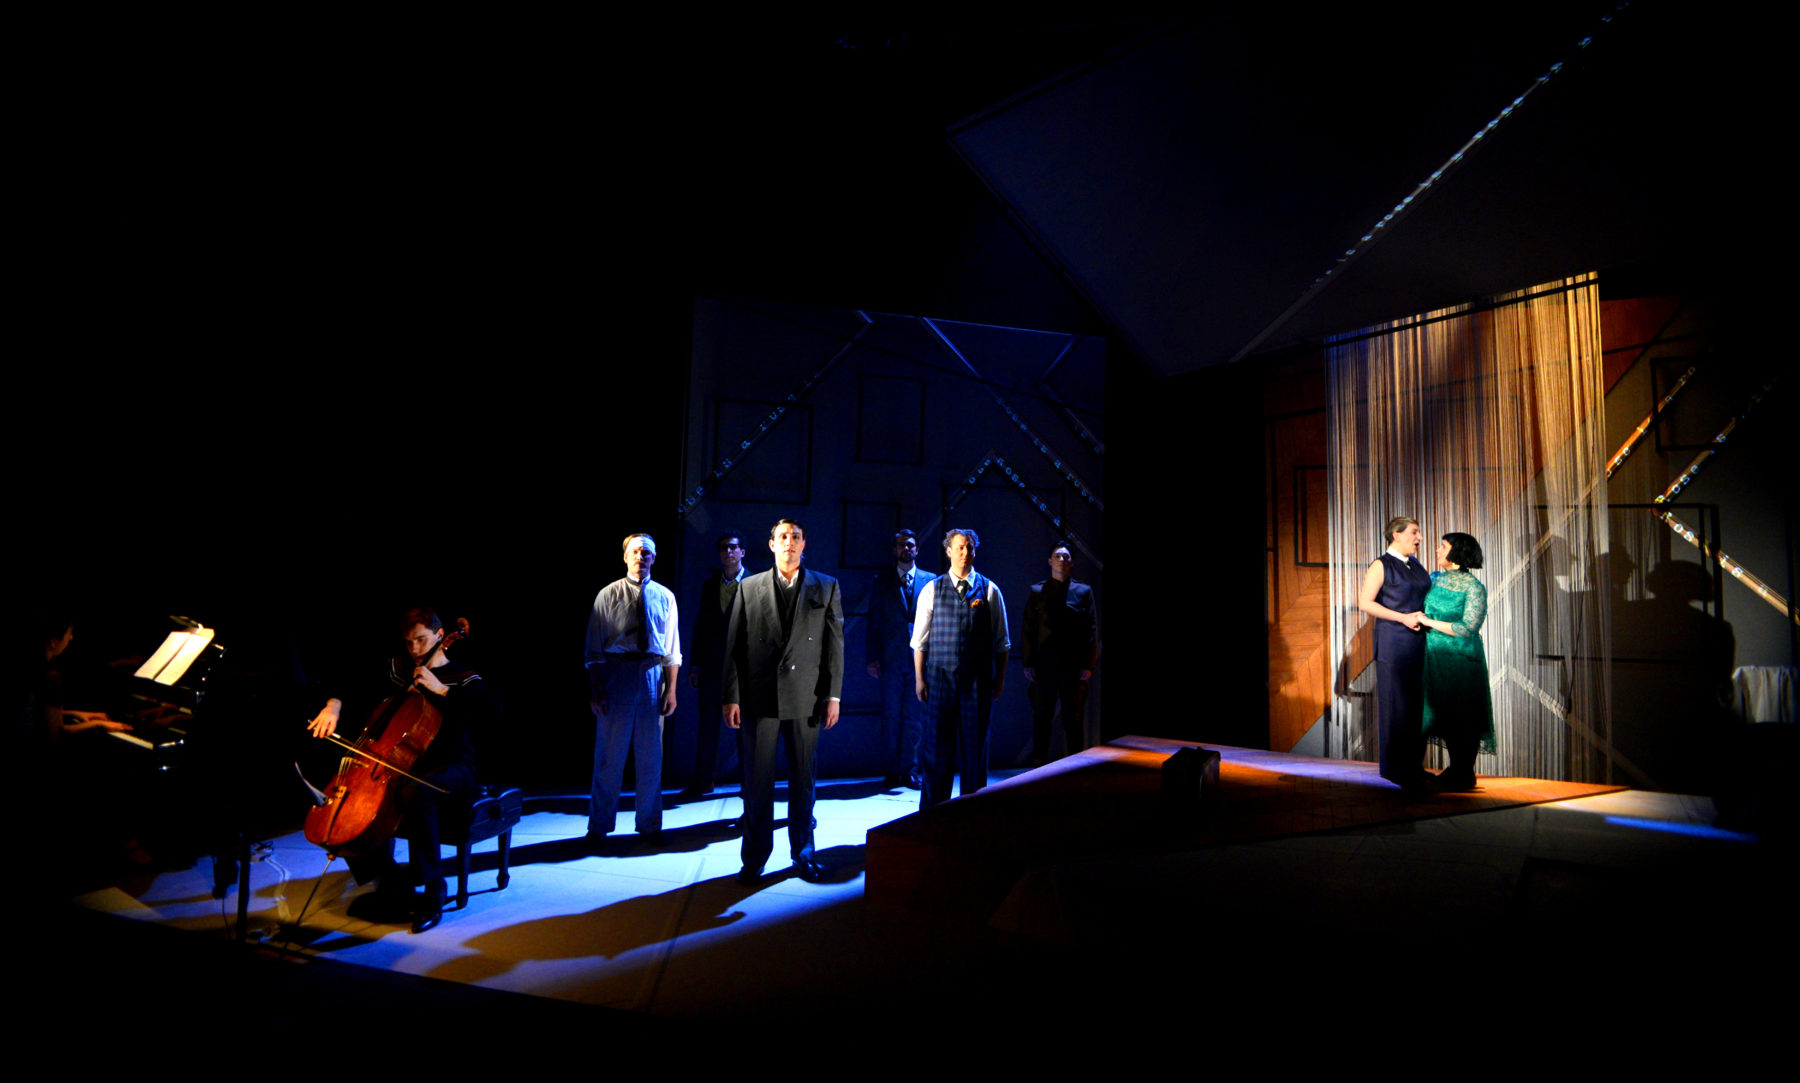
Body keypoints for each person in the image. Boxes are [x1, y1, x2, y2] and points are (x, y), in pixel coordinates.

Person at [307, 607, 494, 933]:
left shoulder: (463, 677)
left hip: (454, 765)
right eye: (409, 643)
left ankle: (434, 888)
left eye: (421, 640)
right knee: (349, 803)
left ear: (440, 636)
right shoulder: (400, 670)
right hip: (399, 762)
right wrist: (333, 705)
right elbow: (349, 676)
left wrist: (441, 690)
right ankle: (390, 878)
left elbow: (491, 713)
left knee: (415, 792)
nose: (415, 650)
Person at [722, 518, 843, 884]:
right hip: (759, 699)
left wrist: (833, 695)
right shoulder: (749, 587)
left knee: (803, 781)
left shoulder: (826, 585)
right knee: (756, 783)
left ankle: (803, 853)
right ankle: (754, 858)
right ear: (772, 544)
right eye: (783, 536)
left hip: (807, 699)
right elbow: (734, 647)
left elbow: (835, 645)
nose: (789, 542)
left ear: (804, 544)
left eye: (795, 536)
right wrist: (731, 697)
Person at [584, 533, 680, 846]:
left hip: (652, 673)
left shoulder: (665, 596)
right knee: (609, 757)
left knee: (651, 757)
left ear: (654, 558)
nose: (641, 558)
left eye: (646, 553)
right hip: (617, 674)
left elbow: (672, 648)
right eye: (636, 552)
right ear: (626, 556)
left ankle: (650, 825)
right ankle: (599, 826)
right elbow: (594, 648)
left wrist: (671, 689)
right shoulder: (608, 594)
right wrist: (598, 688)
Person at [912, 528, 1009, 810]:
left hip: (976, 684)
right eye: (960, 547)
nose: (965, 553)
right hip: (939, 681)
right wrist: (920, 679)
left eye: (970, 547)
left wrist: (999, 680)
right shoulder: (932, 589)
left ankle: (972, 817)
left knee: (974, 753)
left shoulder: (989, 590)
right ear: (948, 551)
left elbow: (1002, 642)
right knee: (935, 753)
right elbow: (919, 641)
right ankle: (932, 817)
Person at [1356, 516, 1431, 793]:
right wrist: (1403, 618)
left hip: (1418, 642)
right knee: (1396, 705)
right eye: (1414, 532)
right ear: (1396, 535)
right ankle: (1396, 768)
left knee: (1415, 706)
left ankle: (1413, 766)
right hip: (1394, 643)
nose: (1419, 538)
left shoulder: (1415, 565)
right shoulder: (1381, 564)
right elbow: (1365, 603)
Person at [1419, 532, 1493, 792]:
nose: (1438, 550)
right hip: (1432, 657)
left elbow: (1467, 627)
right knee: (1435, 713)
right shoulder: (1433, 578)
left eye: (1443, 546)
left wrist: (1428, 622)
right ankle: (1439, 770)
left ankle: (1462, 772)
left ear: (1456, 553)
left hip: (1460, 661)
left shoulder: (1474, 587)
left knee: (1461, 716)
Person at [682, 530, 747, 801]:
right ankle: (703, 781)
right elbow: (701, 627)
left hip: (744, 669)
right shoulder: (710, 586)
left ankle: (749, 785)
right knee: (707, 725)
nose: (728, 552)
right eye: (723, 548)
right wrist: (696, 664)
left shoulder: (755, 583)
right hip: (712, 667)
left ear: (742, 552)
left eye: (733, 547)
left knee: (746, 729)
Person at [1021, 542, 1099, 765]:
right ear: (1050, 561)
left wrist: (1088, 665)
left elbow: (1091, 629)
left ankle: (1074, 766)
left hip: (1072, 667)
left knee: (1073, 718)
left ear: (1072, 562)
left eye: (1066, 557)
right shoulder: (1037, 591)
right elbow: (1028, 628)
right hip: (1044, 666)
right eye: (1057, 556)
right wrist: (1028, 662)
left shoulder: (1083, 591)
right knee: (1041, 716)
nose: (1062, 560)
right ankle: (1039, 765)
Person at [865, 528, 929, 789]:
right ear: (895, 550)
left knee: (914, 718)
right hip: (890, 658)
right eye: (902, 545)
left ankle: (910, 770)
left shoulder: (930, 580)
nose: (906, 549)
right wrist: (872, 657)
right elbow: (874, 622)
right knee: (891, 717)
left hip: (920, 660)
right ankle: (892, 770)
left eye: (910, 545)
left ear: (917, 549)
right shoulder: (882, 581)